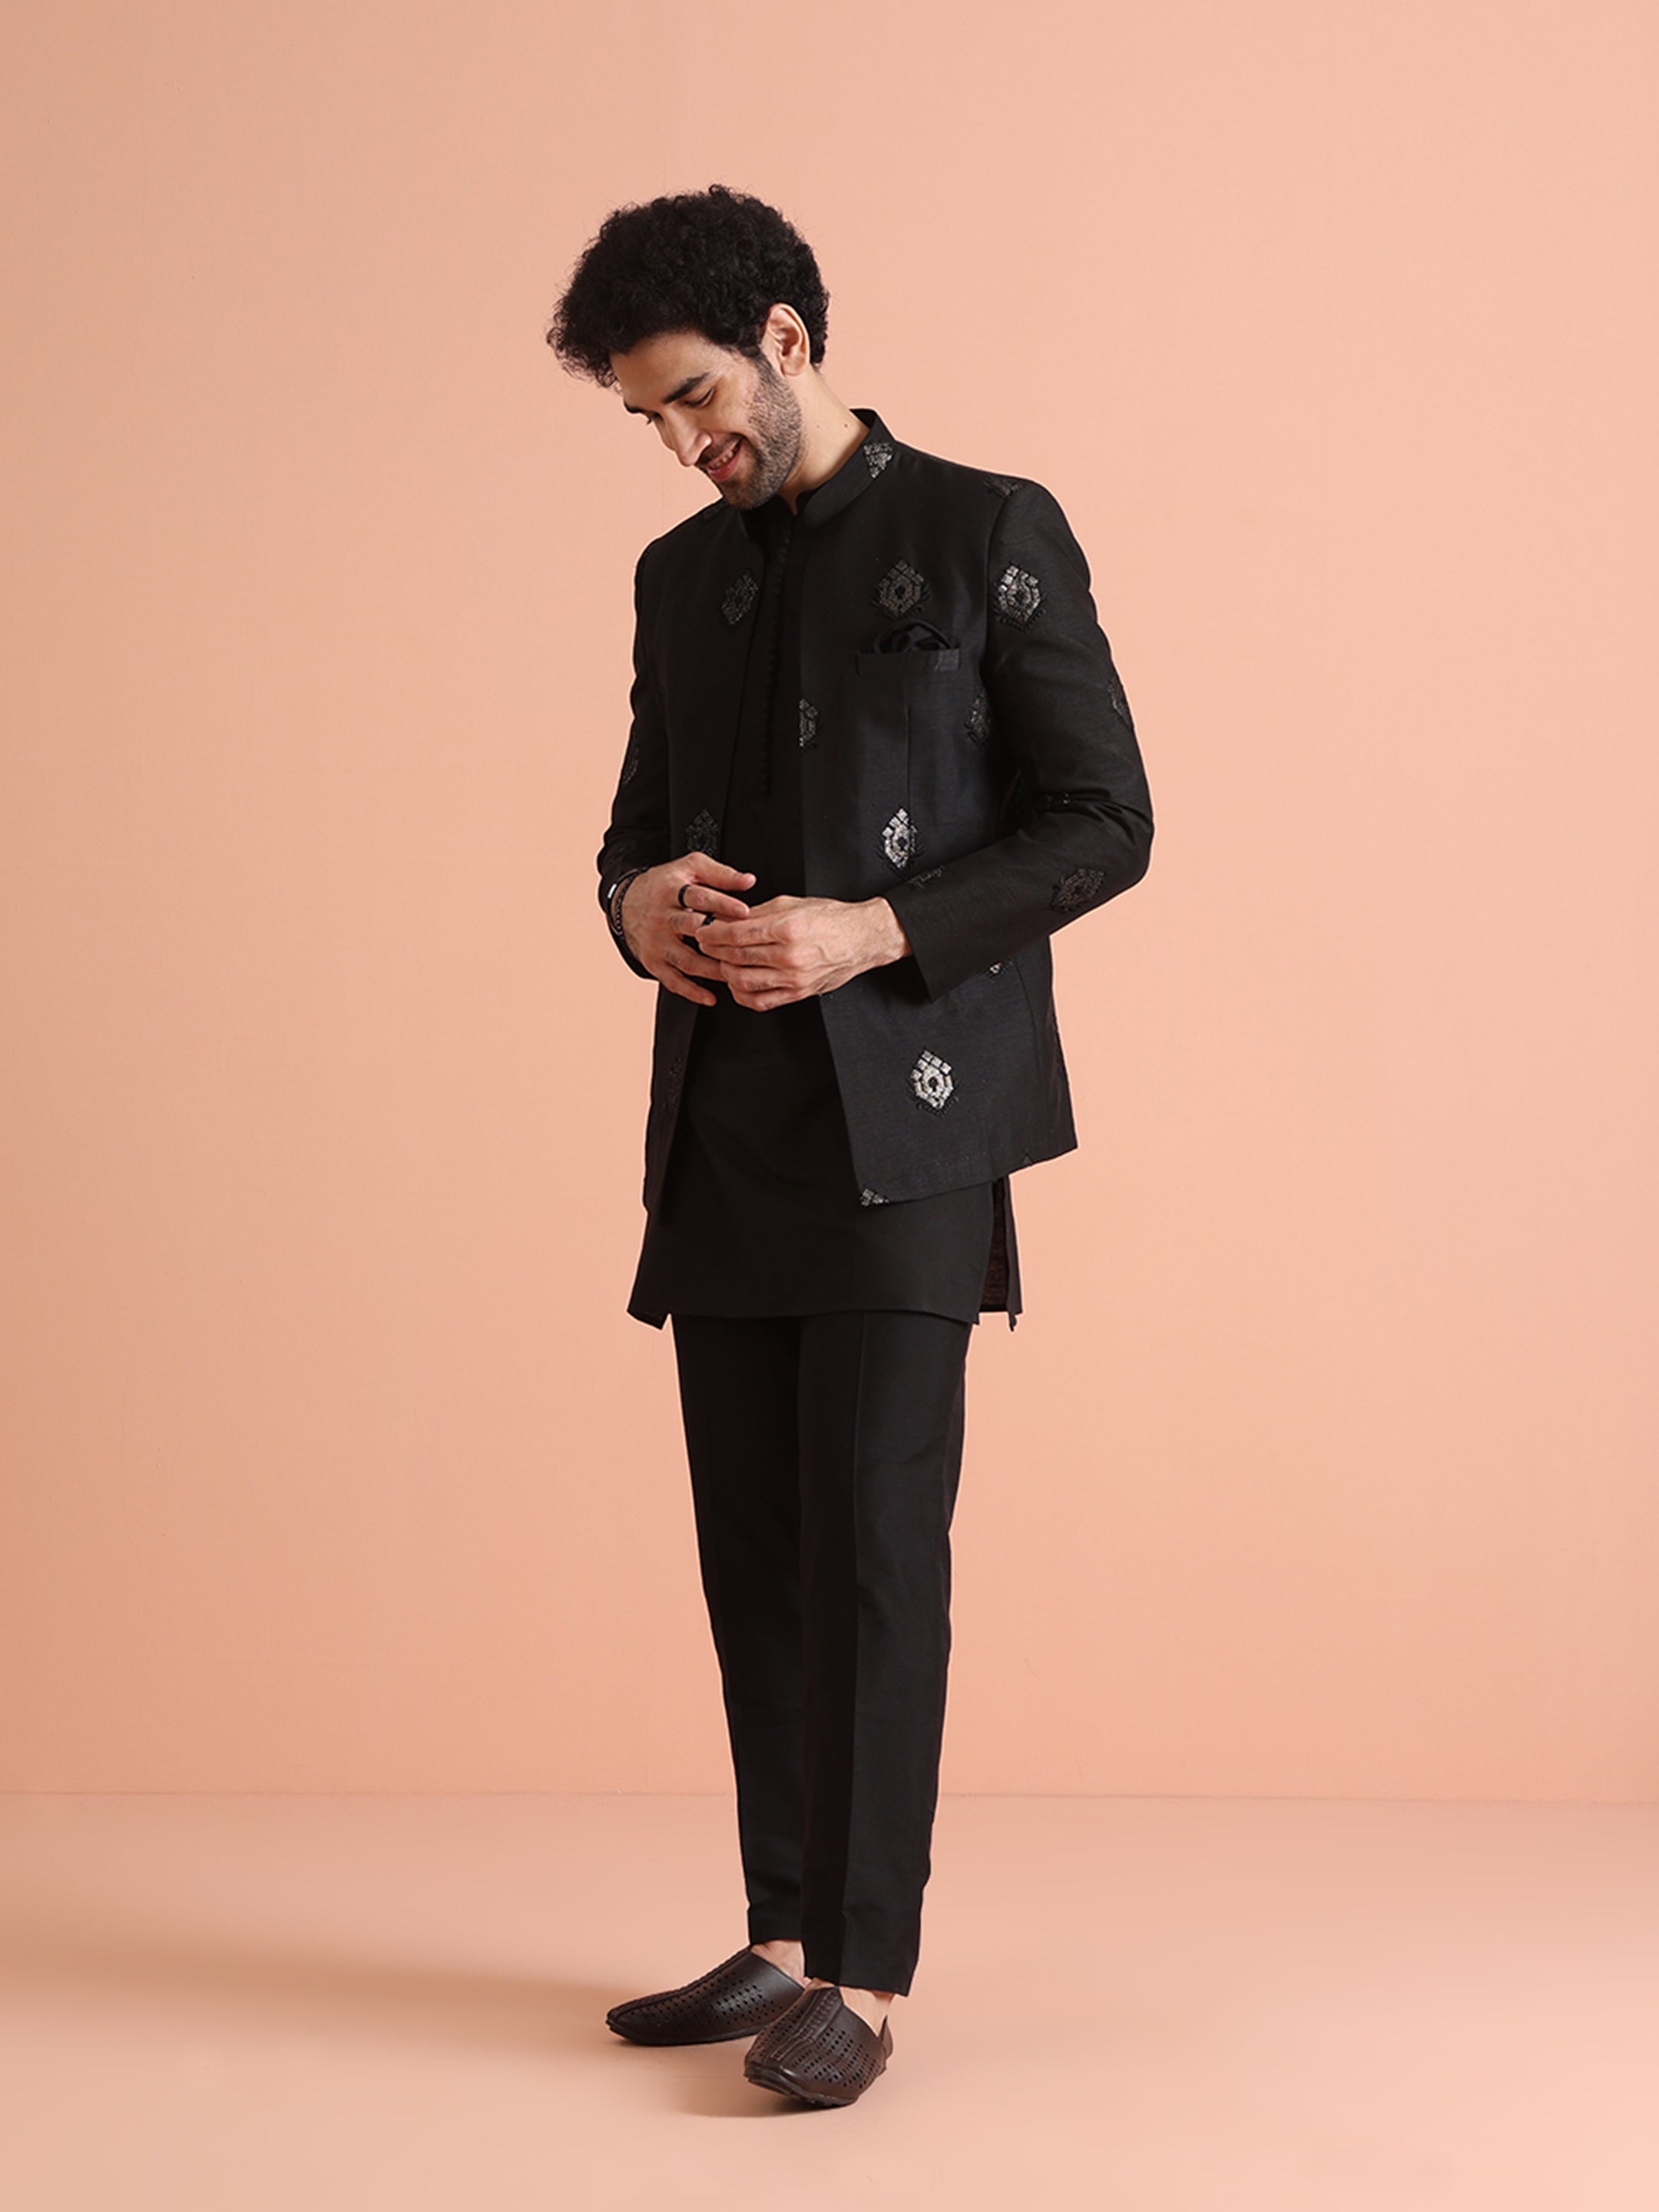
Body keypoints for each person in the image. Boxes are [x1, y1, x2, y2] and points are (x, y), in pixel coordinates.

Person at [546, 184, 1153, 2108]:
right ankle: (785, 1930)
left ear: (789, 340)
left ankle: (867, 1978)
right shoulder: (677, 577)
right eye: (648, 417)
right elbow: (628, 830)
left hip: (913, 1130)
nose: (682, 443)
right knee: (755, 1554)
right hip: (724, 1132)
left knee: (875, 1549)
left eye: (697, 397)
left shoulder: (986, 529)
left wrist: (875, 931)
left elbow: (1106, 822)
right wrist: (638, 904)